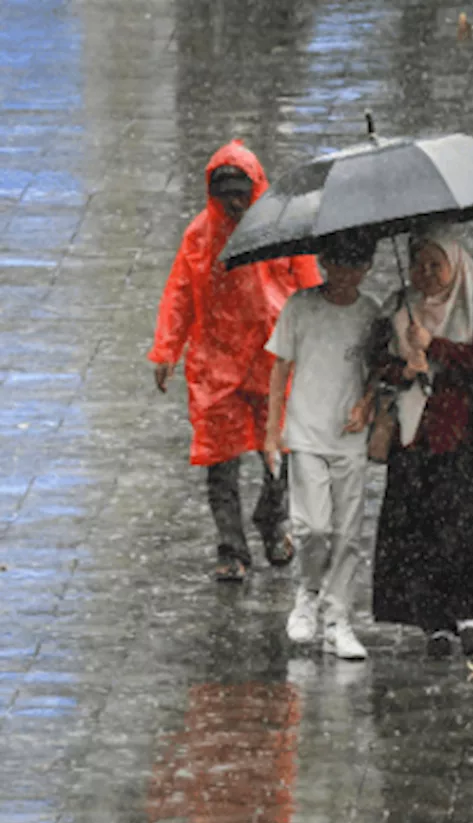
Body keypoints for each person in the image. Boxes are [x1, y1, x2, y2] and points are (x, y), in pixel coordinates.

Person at [148, 139, 322, 582]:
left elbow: (307, 283)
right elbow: (181, 294)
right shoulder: (201, 236)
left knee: (278, 450)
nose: (235, 205)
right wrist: (167, 349)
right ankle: (232, 548)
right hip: (218, 362)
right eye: (227, 196)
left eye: (241, 195)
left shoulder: (280, 229)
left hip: (271, 357)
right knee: (220, 459)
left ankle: (272, 519)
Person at [367, 223, 473, 659]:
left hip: (468, 439)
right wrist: (405, 367)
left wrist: (438, 347)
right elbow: (378, 364)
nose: (426, 274)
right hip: (415, 439)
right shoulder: (398, 308)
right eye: (419, 265)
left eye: (436, 265)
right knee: (418, 532)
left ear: (454, 265)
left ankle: (468, 611)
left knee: (464, 529)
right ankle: (433, 621)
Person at [265, 229, 382, 661]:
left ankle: (338, 618)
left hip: (349, 439)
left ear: (367, 268)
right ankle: (308, 592)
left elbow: (378, 370)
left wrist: (367, 402)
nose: (346, 275)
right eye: (338, 264)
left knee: (347, 533)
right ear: (323, 263)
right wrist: (271, 430)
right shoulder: (300, 308)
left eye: (356, 266)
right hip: (306, 433)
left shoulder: (371, 314)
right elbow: (280, 368)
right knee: (312, 528)